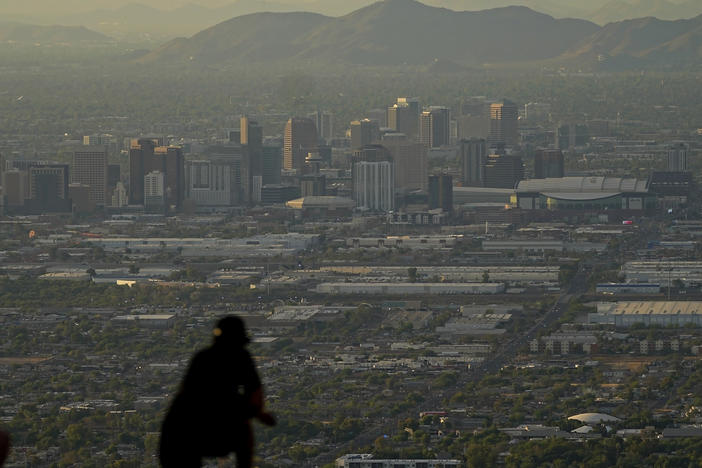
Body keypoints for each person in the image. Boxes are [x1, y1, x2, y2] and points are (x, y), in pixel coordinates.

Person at [160, 316, 275, 467]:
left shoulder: (202, 358)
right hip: (185, 434)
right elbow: (254, 397)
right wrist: (258, 413)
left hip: (175, 436)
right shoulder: (240, 358)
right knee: (244, 429)